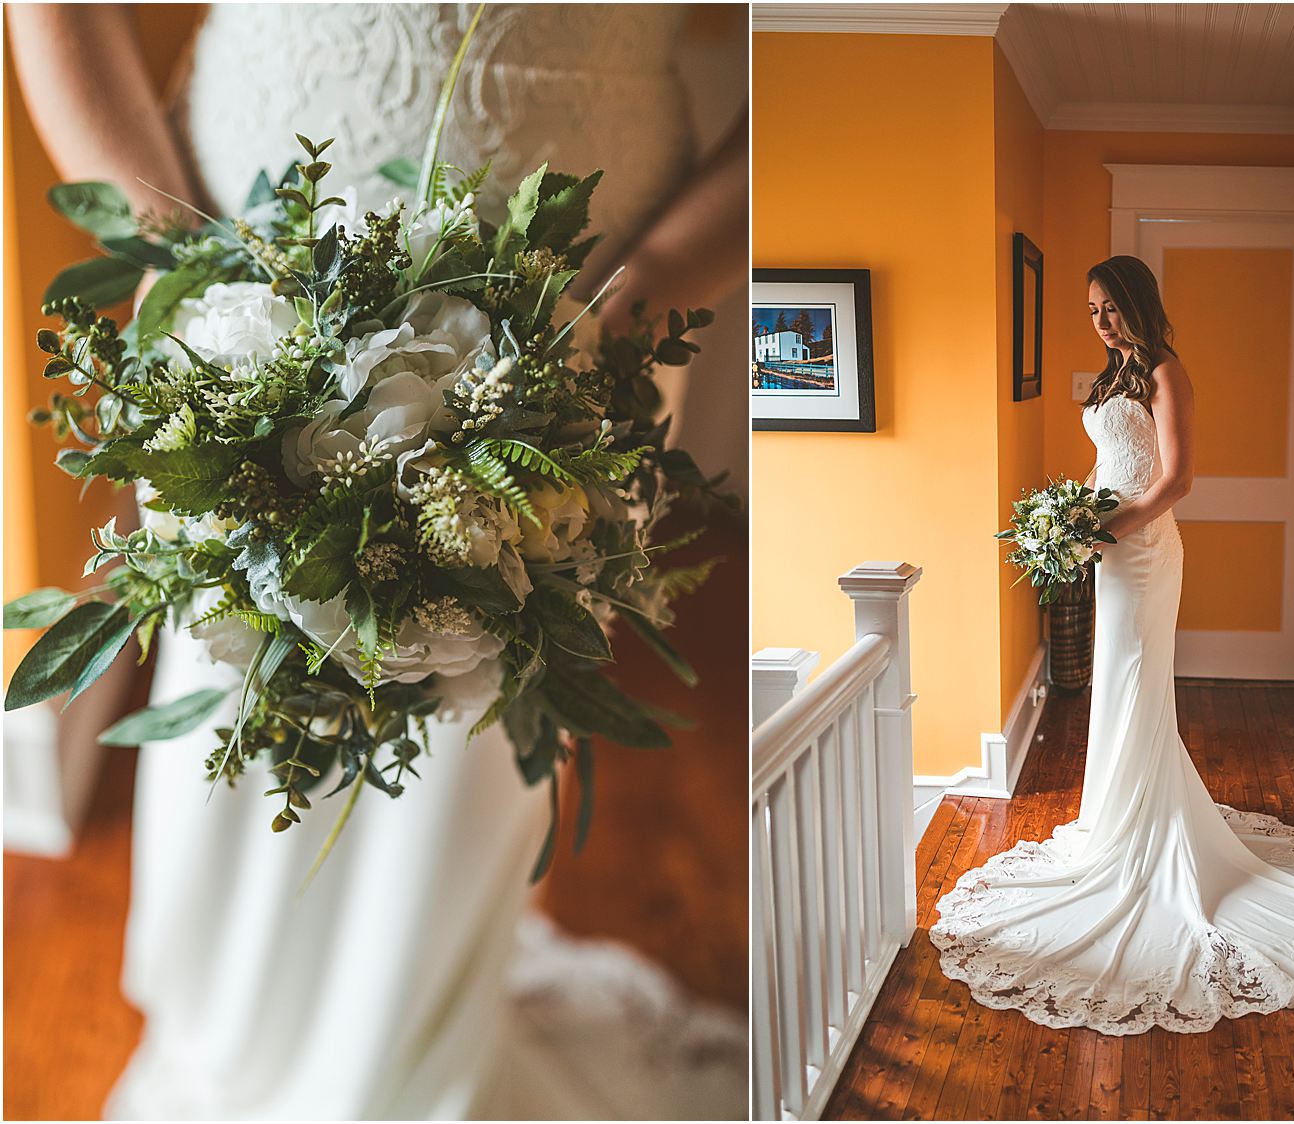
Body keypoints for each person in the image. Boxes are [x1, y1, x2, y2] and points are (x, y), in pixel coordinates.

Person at [7, 4, 747, 1118]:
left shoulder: (607, 311)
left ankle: (415, 1041)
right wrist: (188, 262)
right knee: (237, 680)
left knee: (485, 704)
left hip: (591, 291)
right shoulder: (231, 295)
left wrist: (635, 298)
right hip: (254, 239)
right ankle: (235, 1035)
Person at [930, 255, 1294, 1035]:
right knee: (1115, 679)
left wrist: (1104, 529)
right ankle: (1115, 822)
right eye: (1090, 309)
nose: (1098, 320)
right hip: (1108, 547)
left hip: (1144, 548)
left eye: (1108, 306)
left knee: (1136, 680)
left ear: (1137, 300)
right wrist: (1074, 516)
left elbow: (1176, 480)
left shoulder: (1167, 371)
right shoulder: (1112, 376)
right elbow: (1113, 461)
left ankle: (1146, 836)